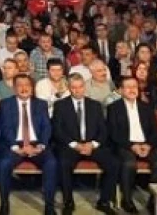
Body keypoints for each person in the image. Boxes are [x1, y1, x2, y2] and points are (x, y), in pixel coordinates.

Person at [52, 74, 117, 215]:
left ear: (84, 87)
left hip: (91, 145)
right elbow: (57, 131)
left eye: (80, 87)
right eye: (74, 87)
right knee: (63, 163)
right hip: (71, 146)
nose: (77, 90)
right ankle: (68, 202)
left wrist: (92, 144)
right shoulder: (60, 106)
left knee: (113, 163)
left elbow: (103, 130)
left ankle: (104, 201)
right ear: (69, 88)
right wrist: (75, 145)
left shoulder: (95, 105)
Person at [0, 74, 56, 215]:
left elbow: (46, 128)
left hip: (37, 145)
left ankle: (49, 206)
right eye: (20, 85)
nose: (24, 88)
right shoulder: (6, 103)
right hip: (14, 145)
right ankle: (4, 204)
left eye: (27, 85)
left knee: (51, 163)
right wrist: (17, 147)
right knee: (4, 164)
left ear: (32, 87)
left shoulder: (41, 104)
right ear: (14, 88)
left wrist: (40, 146)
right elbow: (5, 128)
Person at [107, 76, 157, 214]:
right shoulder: (113, 108)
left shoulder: (146, 108)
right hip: (125, 145)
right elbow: (113, 133)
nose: (132, 90)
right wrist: (131, 146)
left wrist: (148, 145)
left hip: (146, 144)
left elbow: (155, 131)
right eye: (128, 87)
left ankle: (154, 201)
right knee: (129, 163)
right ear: (121, 90)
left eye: (134, 87)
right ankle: (127, 200)